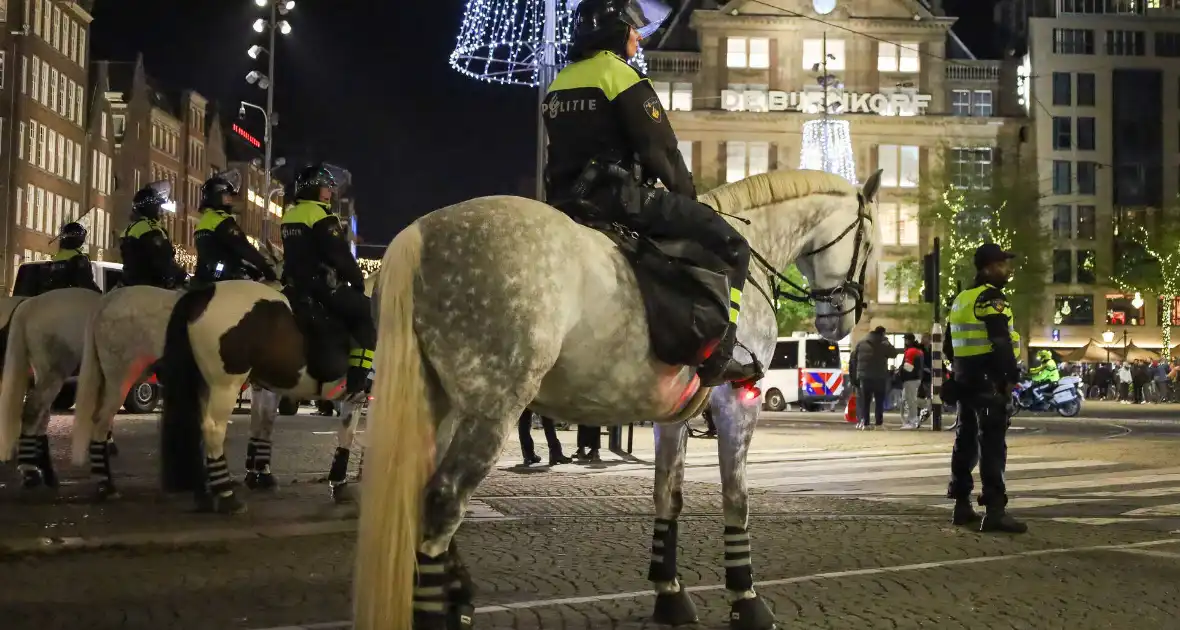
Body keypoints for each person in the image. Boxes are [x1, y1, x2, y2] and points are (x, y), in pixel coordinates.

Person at [540, 0, 759, 388]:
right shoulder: (619, 75)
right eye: (633, 29)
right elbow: (662, 152)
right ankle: (721, 354)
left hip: (565, 206)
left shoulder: (560, 81)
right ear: (615, 31)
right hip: (621, 201)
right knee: (734, 246)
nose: (638, 36)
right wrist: (690, 203)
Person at [943, 243, 1026, 533]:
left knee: (965, 442)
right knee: (992, 445)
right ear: (990, 267)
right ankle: (994, 510)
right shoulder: (992, 298)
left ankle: (961, 504)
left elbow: (948, 346)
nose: (1008, 269)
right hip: (990, 381)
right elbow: (1001, 341)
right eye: (1004, 264)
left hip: (965, 379)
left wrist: (959, 372)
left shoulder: (960, 299)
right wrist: (1010, 376)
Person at [280, 163, 374, 398]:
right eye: (325, 188)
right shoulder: (321, 215)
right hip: (320, 287)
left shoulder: (290, 214)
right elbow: (339, 254)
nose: (330, 192)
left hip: (293, 285)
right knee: (366, 312)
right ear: (312, 188)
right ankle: (357, 381)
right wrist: (357, 281)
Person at [193, 173, 278, 284]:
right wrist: (265, 268)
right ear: (216, 196)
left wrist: (249, 268)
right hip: (224, 279)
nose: (230, 199)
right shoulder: (221, 220)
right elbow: (243, 248)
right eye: (226, 195)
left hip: (204, 277)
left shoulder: (205, 220)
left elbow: (221, 252)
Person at [120, 180, 187, 289]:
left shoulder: (131, 228)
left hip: (131, 282)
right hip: (152, 285)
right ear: (150, 207)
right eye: (158, 206)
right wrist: (180, 275)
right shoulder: (150, 229)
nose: (160, 210)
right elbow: (162, 260)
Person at [848, 326, 895, 430]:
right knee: (879, 401)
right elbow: (894, 354)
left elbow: (854, 360)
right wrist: (887, 342)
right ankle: (879, 424)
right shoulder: (883, 344)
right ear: (883, 334)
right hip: (879, 376)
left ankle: (866, 424)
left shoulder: (861, 343)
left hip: (864, 377)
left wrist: (856, 376)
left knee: (865, 401)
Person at [42, 222, 101, 293]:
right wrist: (100, 293)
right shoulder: (81, 259)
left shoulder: (54, 259)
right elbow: (86, 283)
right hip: (73, 298)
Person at [900, 334, 925, 429]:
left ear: (908, 340)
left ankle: (912, 421)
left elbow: (908, 367)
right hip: (917, 378)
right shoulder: (919, 351)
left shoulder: (911, 351)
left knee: (910, 401)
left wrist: (900, 371)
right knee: (910, 399)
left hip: (910, 379)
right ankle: (911, 420)